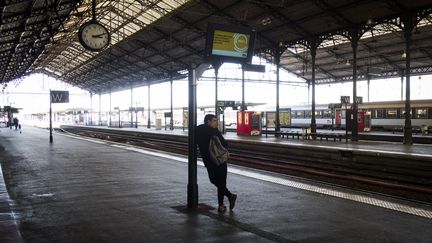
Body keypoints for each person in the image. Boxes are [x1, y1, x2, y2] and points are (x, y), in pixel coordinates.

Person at [196, 114, 237, 213]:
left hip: (210, 161)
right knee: (220, 182)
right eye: (214, 120)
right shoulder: (214, 131)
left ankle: (221, 205)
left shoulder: (199, 130)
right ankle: (230, 196)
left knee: (215, 181)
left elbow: (195, 134)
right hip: (219, 160)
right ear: (208, 121)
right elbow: (224, 144)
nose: (216, 122)